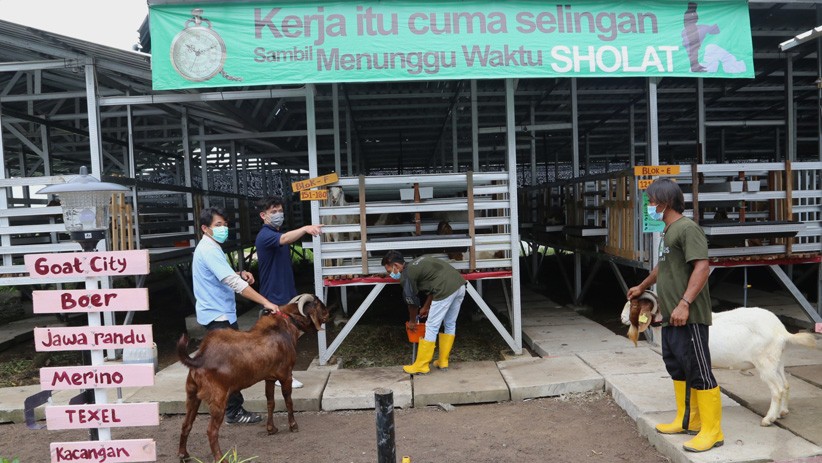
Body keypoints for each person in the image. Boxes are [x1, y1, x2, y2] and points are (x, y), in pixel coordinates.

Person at [626, 178, 722, 452]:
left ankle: (712, 431)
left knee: (700, 371)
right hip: (671, 315)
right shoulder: (669, 231)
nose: (649, 206)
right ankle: (687, 420)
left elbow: (702, 267)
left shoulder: (688, 229)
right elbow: (663, 266)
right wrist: (642, 286)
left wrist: (684, 303)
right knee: (677, 367)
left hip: (688, 316)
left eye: (651, 201)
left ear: (665, 202)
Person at [193, 206, 280, 425]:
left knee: (227, 361)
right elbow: (232, 284)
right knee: (229, 365)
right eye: (218, 225)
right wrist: (265, 301)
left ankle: (228, 407)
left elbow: (224, 275)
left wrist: (239, 273)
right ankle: (233, 411)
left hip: (218, 311)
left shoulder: (212, 246)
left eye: (225, 224)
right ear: (205, 228)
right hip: (217, 315)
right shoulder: (209, 250)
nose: (223, 229)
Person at [255, 196, 323, 388]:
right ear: (263, 215)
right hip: (274, 295)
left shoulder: (276, 233)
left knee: (286, 336)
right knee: (280, 338)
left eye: (280, 211)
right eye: (273, 212)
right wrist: (305, 228)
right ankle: (279, 375)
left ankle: (279, 373)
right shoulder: (266, 235)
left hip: (285, 291)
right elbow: (284, 239)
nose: (278, 215)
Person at [382, 251, 466, 375]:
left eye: (390, 271)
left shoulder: (407, 275)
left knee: (431, 326)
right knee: (450, 323)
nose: (390, 275)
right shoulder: (419, 261)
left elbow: (412, 303)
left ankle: (422, 365)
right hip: (459, 285)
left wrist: (412, 321)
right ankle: (443, 361)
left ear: (396, 266)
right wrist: (426, 306)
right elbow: (433, 284)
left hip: (444, 289)